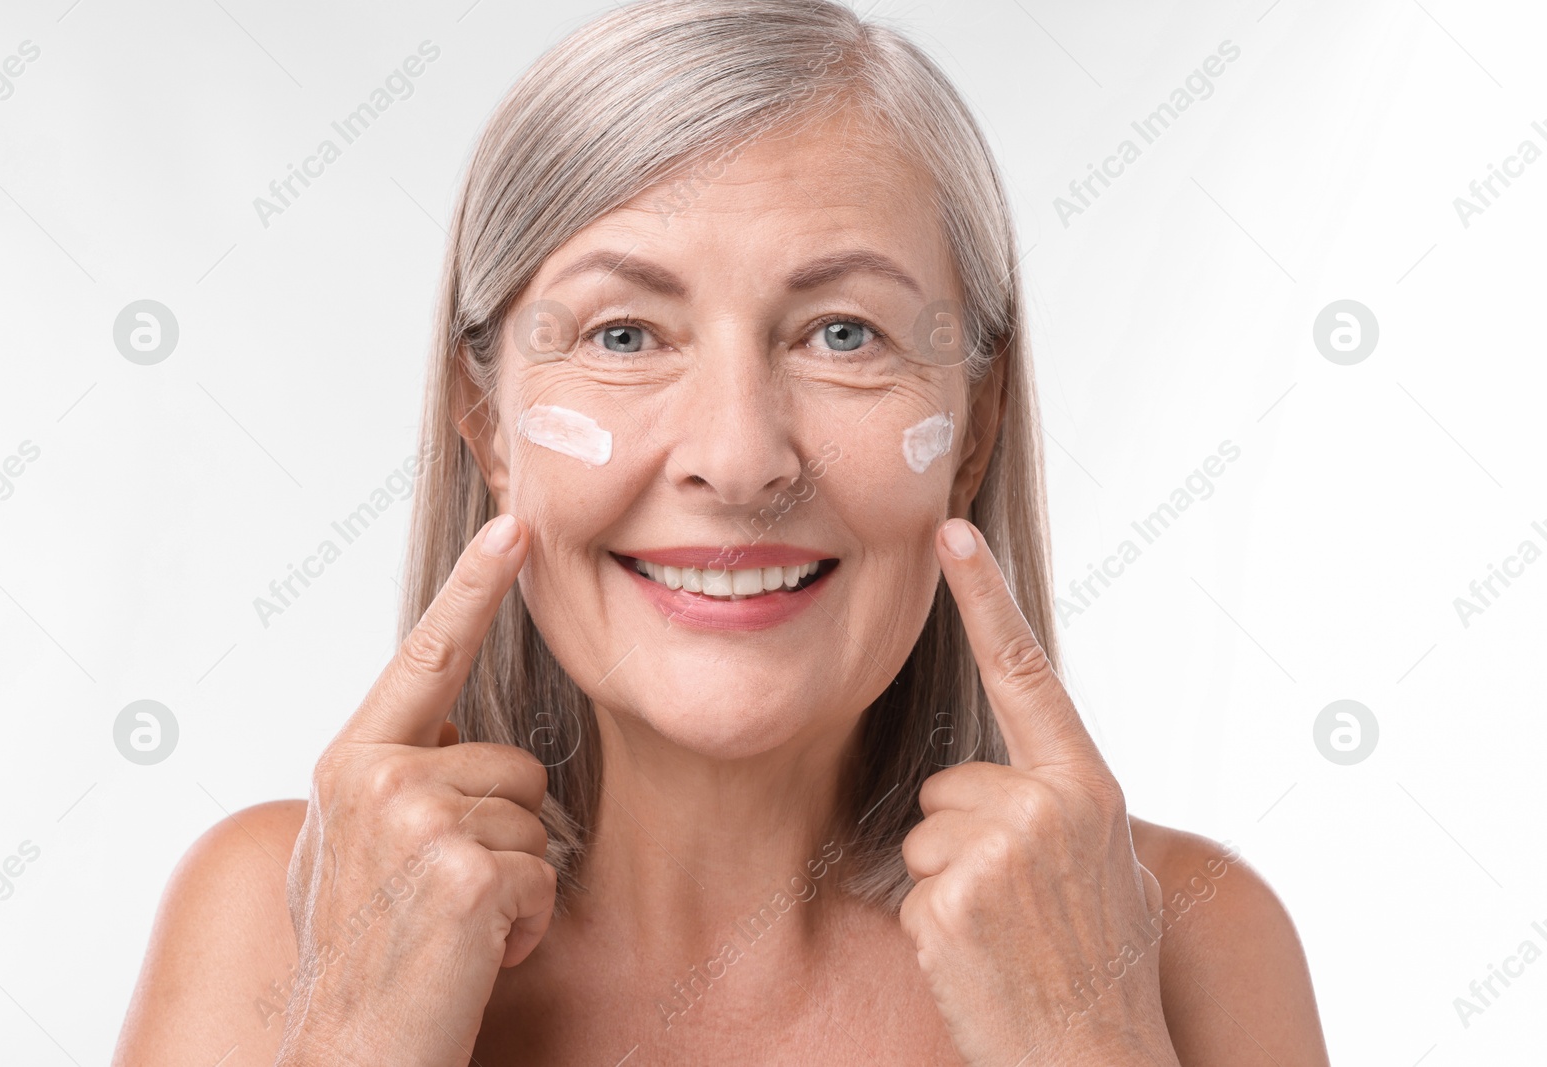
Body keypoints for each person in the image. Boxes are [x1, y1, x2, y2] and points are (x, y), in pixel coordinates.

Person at [114, 1, 1330, 1062]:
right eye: (626, 336)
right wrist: (356, 1034)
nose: (740, 459)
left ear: (972, 426)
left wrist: (1087, 1044)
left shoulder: (1187, 937)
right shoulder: (270, 917)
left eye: (843, 334)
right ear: (488, 423)